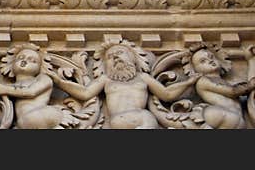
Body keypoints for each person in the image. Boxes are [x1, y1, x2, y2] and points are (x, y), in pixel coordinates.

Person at [48, 40, 198, 129]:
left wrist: (188, 83)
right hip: (120, 119)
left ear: (133, 59)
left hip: (138, 118)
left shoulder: (142, 77)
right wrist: (60, 82)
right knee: (147, 118)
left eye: (120, 53)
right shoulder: (106, 80)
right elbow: (85, 93)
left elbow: (166, 94)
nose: (116, 58)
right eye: (110, 57)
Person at [0, 44, 80, 129]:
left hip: (42, 114)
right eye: (20, 57)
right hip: (25, 122)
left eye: (32, 60)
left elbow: (31, 91)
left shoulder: (44, 78)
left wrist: (3, 89)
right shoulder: (12, 87)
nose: (24, 61)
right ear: (11, 64)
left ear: (40, 68)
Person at [187, 44, 255, 129]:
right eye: (203, 61)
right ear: (195, 70)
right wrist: (250, 85)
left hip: (236, 119)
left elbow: (249, 97)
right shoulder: (203, 81)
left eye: (211, 57)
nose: (210, 60)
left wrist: (251, 60)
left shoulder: (221, 81)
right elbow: (232, 92)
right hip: (220, 115)